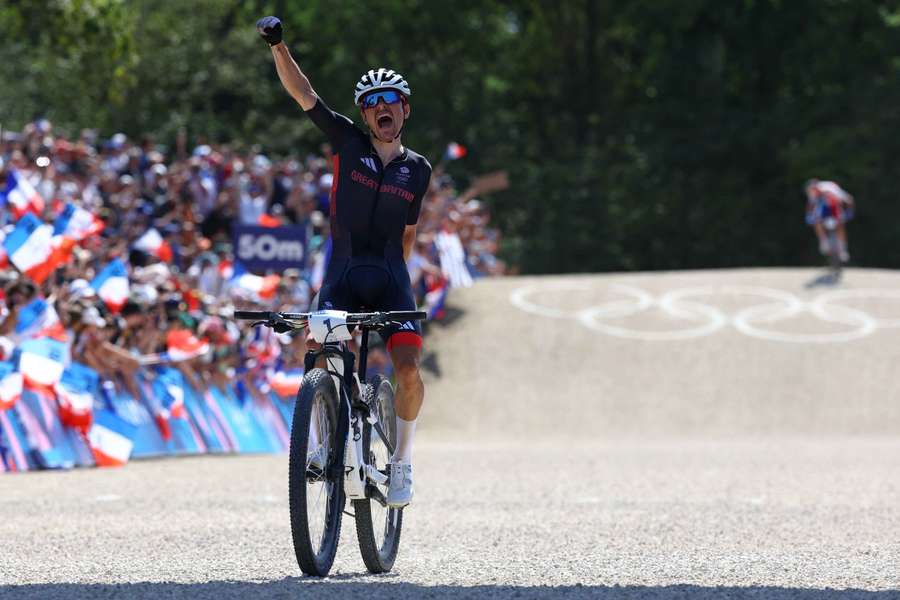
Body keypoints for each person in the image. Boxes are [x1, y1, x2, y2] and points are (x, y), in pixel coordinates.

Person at [257, 16, 432, 508]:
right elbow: (303, 92)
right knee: (317, 349)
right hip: (344, 272)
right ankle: (320, 443)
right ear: (363, 112)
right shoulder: (348, 143)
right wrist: (278, 46)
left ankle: (402, 462)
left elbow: (409, 232)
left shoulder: (418, 170)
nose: (381, 109)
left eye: (389, 103)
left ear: (404, 111)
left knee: (409, 369)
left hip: (390, 277)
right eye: (372, 104)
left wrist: (398, 285)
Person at [804, 179, 855, 263]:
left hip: (835, 207)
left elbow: (849, 200)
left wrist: (849, 212)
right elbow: (811, 206)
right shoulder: (813, 193)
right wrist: (809, 216)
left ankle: (843, 249)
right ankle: (823, 241)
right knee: (816, 220)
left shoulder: (831, 188)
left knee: (840, 224)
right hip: (823, 210)